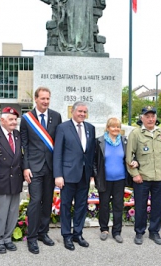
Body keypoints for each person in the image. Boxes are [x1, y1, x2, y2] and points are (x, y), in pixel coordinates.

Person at [20, 87, 62, 254]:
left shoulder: (56, 116)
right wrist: (25, 167)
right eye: (42, 98)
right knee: (35, 201)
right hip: (34, 168)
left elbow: (58, 144)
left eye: (48, 98)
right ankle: (31, 237)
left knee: (47, 202)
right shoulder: (26, 119)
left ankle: (43, 233)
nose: (45, 101)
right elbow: (25, 145)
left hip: (50, 168)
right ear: (36, 99)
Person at [53, 101, 96, 251]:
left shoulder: (90, 128)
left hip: (84, 175)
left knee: (81, 206)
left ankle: (78, 233)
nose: (82, 114)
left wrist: (92, 174)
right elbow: (57, 153)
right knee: (65, 206)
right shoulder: (63, 128)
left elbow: (91, 153)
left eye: (85, 112)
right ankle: (66, 235)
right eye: (80, 111)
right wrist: (58, 175)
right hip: (67, 174)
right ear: (73, 111)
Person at [126, 106, 161, 245]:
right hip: (142, 178)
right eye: (147, 116)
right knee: (140, 207)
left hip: (158, 177)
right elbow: (129, 156)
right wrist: (135, 174)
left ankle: (154, 232)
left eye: (153, 116)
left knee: (157, 206)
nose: (151, 119)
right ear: (142, 118)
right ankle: (139, 232)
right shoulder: (136, 134)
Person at [94, 117, 137, 243]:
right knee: (104, 205)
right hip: (105, 179)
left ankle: (117, 231)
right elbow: (94, 162)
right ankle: (104, 229)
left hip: (120, 179)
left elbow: (132, 155)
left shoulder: (124, 141)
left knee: (118, 206)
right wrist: (97, 177)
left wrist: (135, 161)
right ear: (107, 128)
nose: (116, 129)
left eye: (118, 126)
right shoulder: (99, 141)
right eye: (113, 126)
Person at [0, 107, 23, 254]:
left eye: (15, 119)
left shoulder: (17, 135)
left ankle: (7, 238)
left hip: (15, 179)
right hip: (0, 179)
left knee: (13, 211)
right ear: (2, 120)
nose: (14, 122)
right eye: (10, 119)